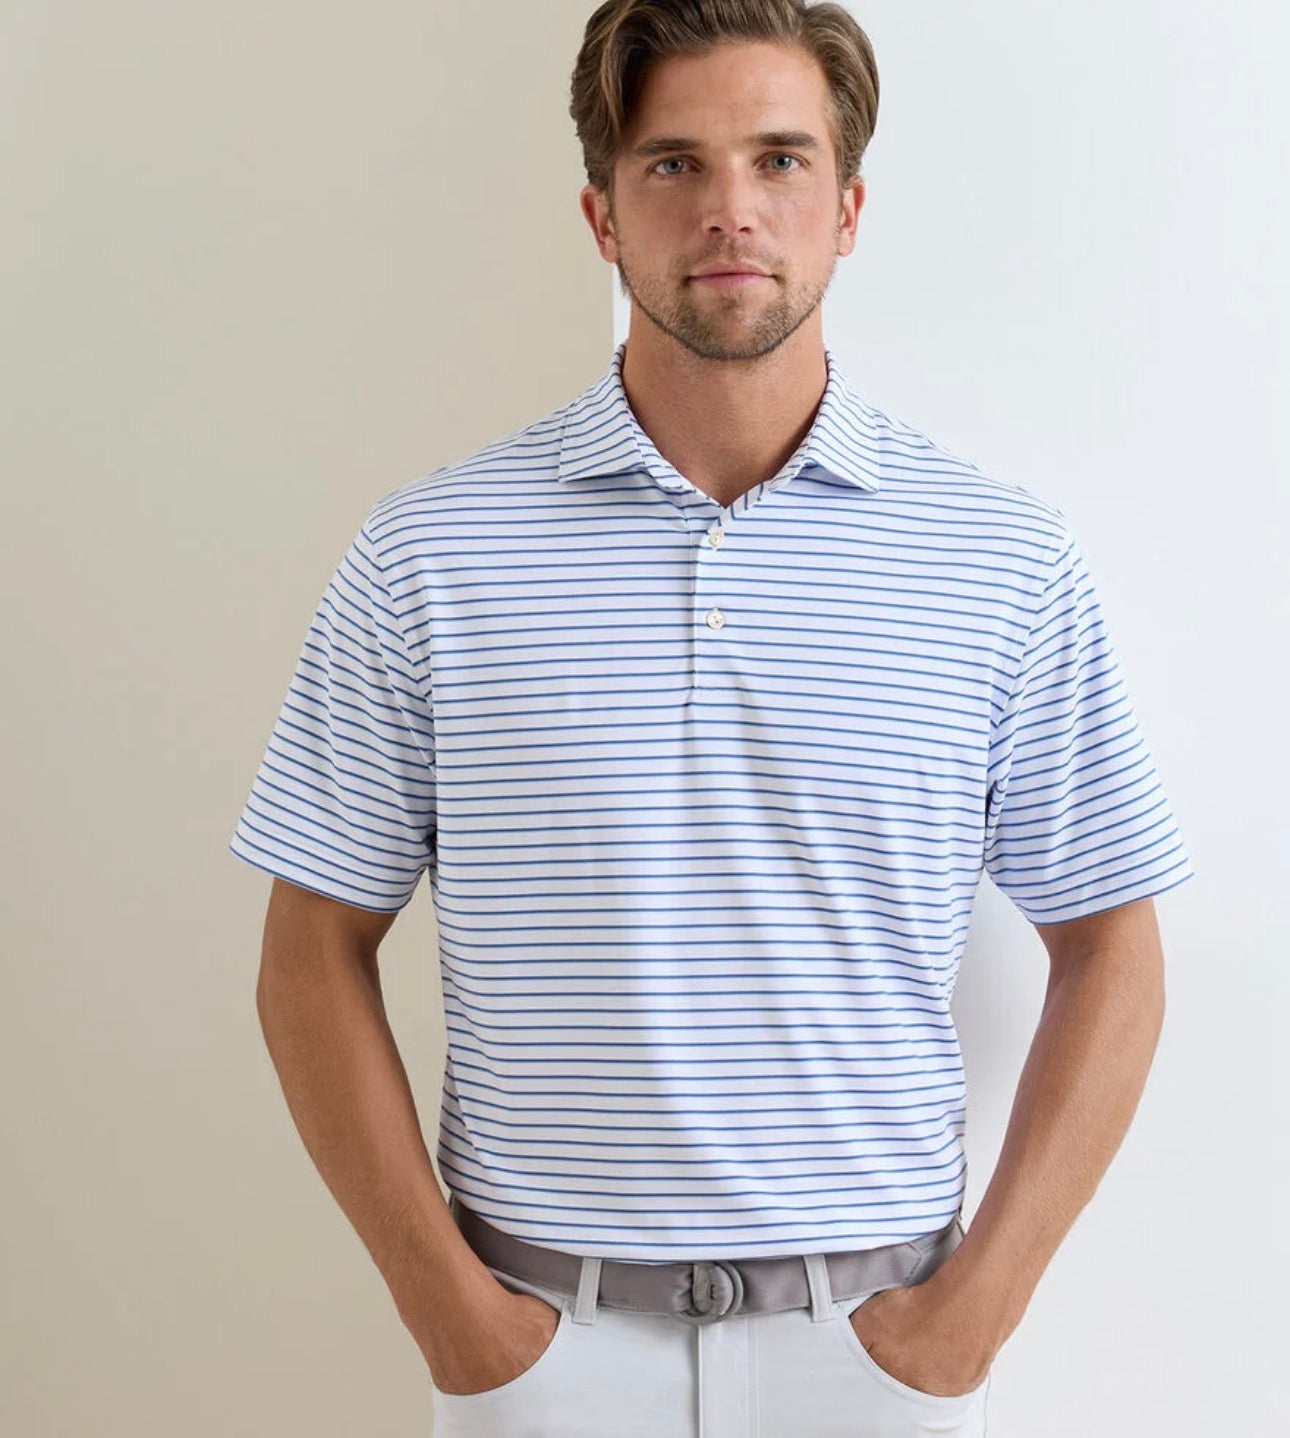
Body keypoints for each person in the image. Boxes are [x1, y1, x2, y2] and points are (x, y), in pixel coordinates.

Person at [229, 3, 1195, 1433]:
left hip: (875, 1356)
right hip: (543, 1351)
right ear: (601, 215)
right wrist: (455, 1319)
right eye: (673, 163)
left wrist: (970, 1319)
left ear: (847, 209)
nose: (730, 210)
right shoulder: (430, 556)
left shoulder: (999, 561)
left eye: (780, 160)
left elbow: (1113, 945)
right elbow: (308, 951)